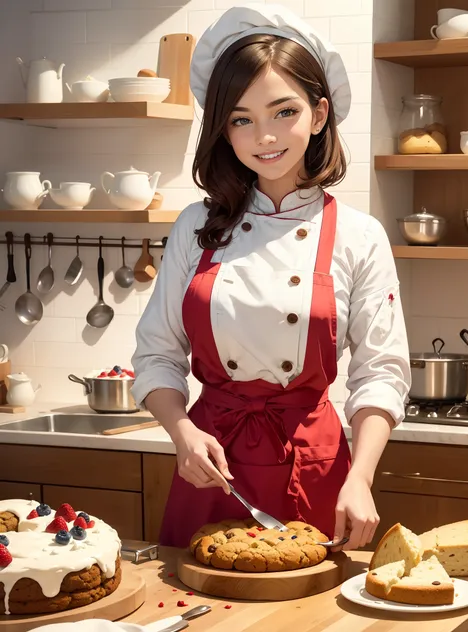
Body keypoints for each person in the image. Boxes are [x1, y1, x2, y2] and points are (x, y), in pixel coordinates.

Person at [131, 3, 411, 551]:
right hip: (209, 463)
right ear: (223, 129)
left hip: (315, 461)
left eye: (284, 111)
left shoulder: (360, 234)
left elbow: (380, 373)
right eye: (241, 119)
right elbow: (156, 355)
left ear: (320, 112)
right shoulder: (196, 226)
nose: (264, 136)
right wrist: (182, 433)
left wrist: (362, 476)